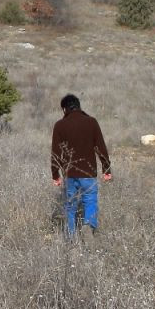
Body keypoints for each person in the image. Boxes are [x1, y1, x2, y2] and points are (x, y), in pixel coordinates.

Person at [50, 93, 112, 241]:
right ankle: (88, 225)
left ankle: (71, 238)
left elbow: (55, 153)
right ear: (78, 106)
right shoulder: (91, 122)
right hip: (88, 173)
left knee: (70, 206)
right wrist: (106, 170)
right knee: (90, 201)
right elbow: (100, 148)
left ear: (64, 109)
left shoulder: (60, 125)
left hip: (70, 174)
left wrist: (55, 175)